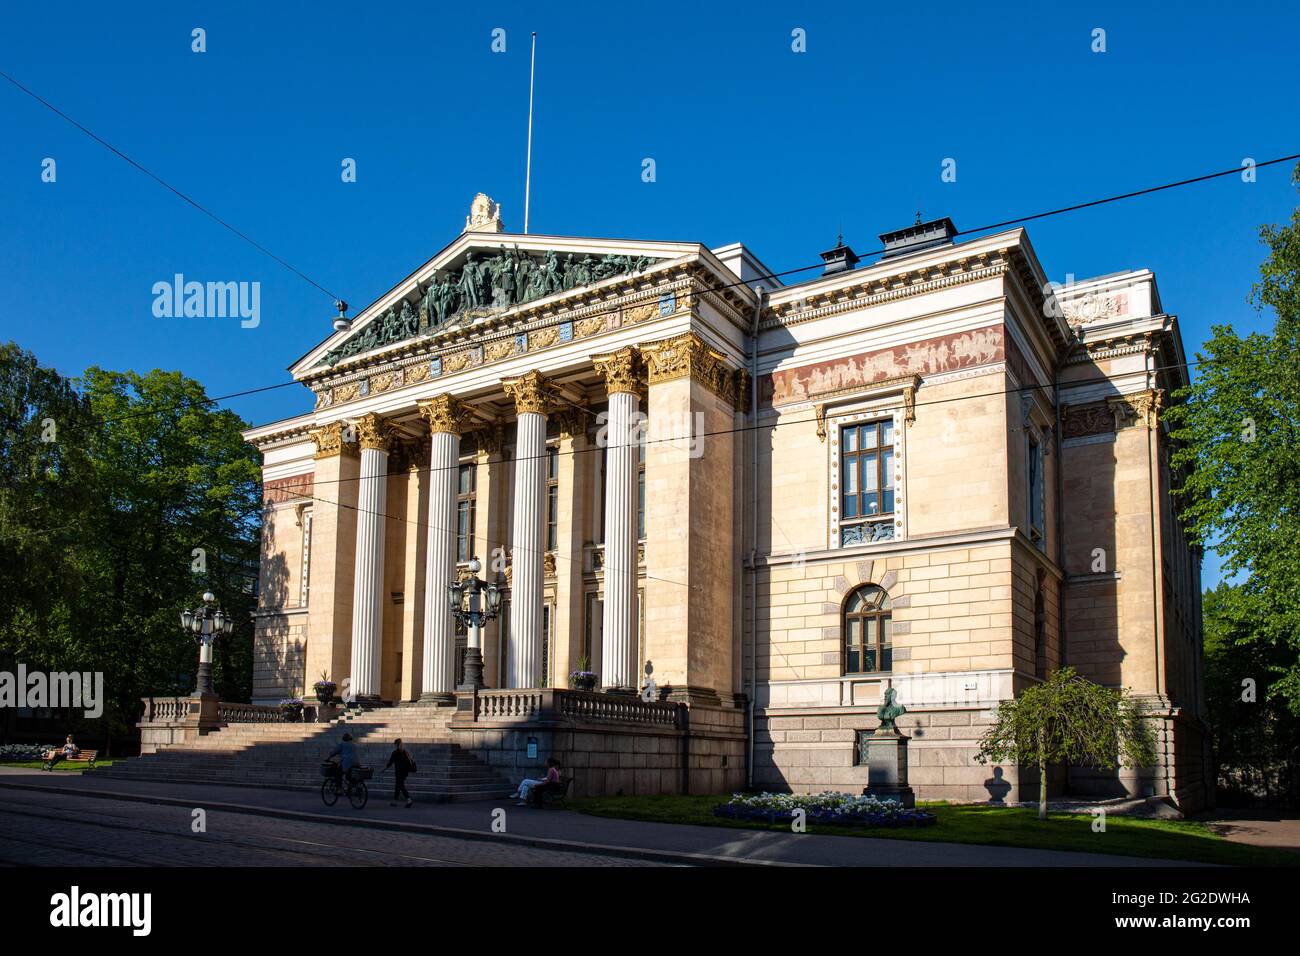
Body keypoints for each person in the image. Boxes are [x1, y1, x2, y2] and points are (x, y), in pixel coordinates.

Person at [384, 738, 416, 808]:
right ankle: (395, 801)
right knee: (398, 785)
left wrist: (384, 769)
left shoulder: (395, 753)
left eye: (395, 745)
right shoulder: (405, 751)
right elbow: (409, 761)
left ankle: (409, 800)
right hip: (405, 772)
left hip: (399, 772)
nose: (394, 746)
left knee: (400, 786)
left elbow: (390, 763)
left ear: (396, 744)